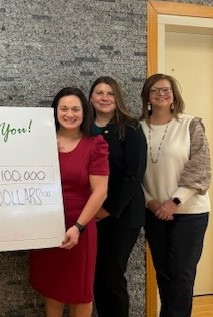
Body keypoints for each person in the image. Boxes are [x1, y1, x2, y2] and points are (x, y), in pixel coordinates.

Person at [29, 87, 109, 317]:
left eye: (75, 109)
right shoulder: (41, 142)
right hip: (46, 225)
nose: (69, 114)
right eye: (63, 108)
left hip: (79, 227)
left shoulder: (95, 144)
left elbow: (100, 192)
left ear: (85, 113)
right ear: (55, 112)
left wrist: (78, 227)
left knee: (80, 291)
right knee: (52, 286)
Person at [139, 73, 210, 317]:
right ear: (147, 96)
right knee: (164, 275)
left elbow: (201, 166)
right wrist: (150, 202)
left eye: (166, 89)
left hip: (189, 212)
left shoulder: (190, 124)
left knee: (181, 276)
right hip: (154, 212)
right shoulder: (137, 128)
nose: (161, 94)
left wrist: (174, 201)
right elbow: (132, 173)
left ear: (174, 95)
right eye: (155, 90)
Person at [88, 76, 147, 317]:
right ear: (90, 98)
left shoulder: (130, 127)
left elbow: (134, 176)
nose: (104, 97)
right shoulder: (84, 128)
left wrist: (107, 209)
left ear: (117, 98)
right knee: (95, 273)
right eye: (99, 93)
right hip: (92, 213)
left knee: (112, 275)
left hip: (123, 215)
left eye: (110, 93)